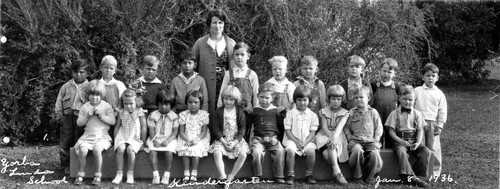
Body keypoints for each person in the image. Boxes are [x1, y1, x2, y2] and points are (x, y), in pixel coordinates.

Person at [192, 9, 236, 114]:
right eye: (214, 22)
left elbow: (236, 68)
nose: (217, 26)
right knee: (207, 112)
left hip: (225, 84)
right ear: (209, 24)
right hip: (206, 84)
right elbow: (192, 65)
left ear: (224, 24)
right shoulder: (200, 43)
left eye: (220, 23)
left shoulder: (231, 43)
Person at [386, 85, 430, 187]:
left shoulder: (417, 114)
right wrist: (401, 141)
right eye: (404, 99)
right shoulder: (394, 114)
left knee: (425, 151)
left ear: (414, 100)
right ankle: (413, 178)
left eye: (410, 100)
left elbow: (420, 130)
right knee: (401, 152)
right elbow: (391, 132)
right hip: (399, 141)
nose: (407, 102)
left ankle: (418, 175)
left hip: (414, 140)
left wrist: (418, 142)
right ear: (399, 98)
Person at [73, 80, 115, 186]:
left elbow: (112, 121)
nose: (94, 97)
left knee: (97, 150)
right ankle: (80, 175)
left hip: (102, 136)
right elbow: (79, 123)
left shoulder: (106, 106)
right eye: (92, 94)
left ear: (102, 95)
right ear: (88, 95)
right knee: (82, 150)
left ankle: (97, 176)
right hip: (87, 136)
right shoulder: (85, 107)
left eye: (97, 95)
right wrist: (87, 116)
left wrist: (102, 116)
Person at [217, 42, 259, 141]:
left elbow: (255, 94)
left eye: (242, 54)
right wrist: (219, 108)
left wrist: (256, 111)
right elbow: (222, 92)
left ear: (248, 56)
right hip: (230, 110)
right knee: (230, 134)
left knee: (244, 134)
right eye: (237, 54)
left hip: (246, 112)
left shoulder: (252, 74)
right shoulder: (228, 74)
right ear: (233, 56)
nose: (239, 57)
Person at [55, 59, 89, 174]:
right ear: (72, 73)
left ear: (86, 73)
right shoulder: (66, 86)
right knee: (65, 141)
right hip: (67, 118)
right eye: (76, 72)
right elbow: (59, 102)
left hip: (81, 118)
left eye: (81, 72)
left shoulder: (89, 87)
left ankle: (76, 166)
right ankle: (64, 165)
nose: (78, 75)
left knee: (78, 140)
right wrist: (60, 117)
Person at [209, 85, 250, 182]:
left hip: (236, 140)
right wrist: (223, 141)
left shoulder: (239, 111)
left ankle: (231, 175)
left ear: (236, 100)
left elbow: (242, 129)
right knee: (217, 152)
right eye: (226, 99)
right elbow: (216, 129)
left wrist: (235, 142)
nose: (228, 102)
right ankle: (223, 176)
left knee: (243, 154)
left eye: (231, 100)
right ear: (222, 98)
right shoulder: (218, 111)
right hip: (222, 139)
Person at [343, 86, 383, 185]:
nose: (358, 99)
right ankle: (357, 176)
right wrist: (348, 136)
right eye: (356, 98)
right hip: (356, 140)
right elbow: (346, 127)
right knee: (357, 151)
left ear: (368, 98)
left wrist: (376, 138)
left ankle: (370, 177)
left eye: (361, 97)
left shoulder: (373, 112)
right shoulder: (351, 113)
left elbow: (379, 127)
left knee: (375, 154)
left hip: (370, 140)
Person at [414, 63, 447, 177]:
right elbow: (412, 106)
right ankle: (421, 170)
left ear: (437, 78)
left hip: (433, 123)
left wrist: (440, 125)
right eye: (427, 75)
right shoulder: (417, 90)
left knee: (433, 147)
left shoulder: (439, 94)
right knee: (420, 146)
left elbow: (442, 110)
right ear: (423, 77)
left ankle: (435, 172)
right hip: (419, 123)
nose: (430, 78)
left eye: (433, 76)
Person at [248, 82, 286, 184]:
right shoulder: (255, 110)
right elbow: (248, 125)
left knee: (280, 151)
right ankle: (257, 175)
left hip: (273, 138)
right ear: (257, 96)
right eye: (261, 97)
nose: (264, 100)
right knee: (256, 152)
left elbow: (280, 126)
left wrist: (283, 113)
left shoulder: (276, 111)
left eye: (267, 98)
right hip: (258, 139)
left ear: (273, 98)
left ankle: (278, 175)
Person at [283, 85, 319, 185]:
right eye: (299, 100)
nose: (302, 103)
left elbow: (312, 133)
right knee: (290, 151)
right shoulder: (290, 114)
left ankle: (309, 175)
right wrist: (296, 142)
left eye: (305, 100)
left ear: (309, 100)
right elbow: (288, 130)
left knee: (311, 152)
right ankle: (290, 175)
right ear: (295, 100)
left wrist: (304, 143)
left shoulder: (313, 115)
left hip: (307, 141)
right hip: (292, 140)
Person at [315, 85, 349, 185]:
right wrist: (331, 137)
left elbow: (340, 127)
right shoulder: (324, 111)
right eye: (333, 99)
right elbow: (324, 127)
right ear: (329, 99)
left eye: (338, 99)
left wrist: (334, 138)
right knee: (330, 144)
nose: (335, 101)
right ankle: (338, 172)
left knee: (326, 154)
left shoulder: (345, 112)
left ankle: (335, 171)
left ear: (342, 99)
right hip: (325, 135)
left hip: (338, 135)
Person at [112, 89, 147, 184]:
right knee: (121, 149)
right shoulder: (121, 112)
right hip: (123, 135)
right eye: (125, 104)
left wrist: (143, 142)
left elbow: (144, 127)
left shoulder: (140, 111)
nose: (128, 106)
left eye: (131, 103)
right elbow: (117, 126)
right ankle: (119, 173)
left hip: (135, 136)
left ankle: (130, 173)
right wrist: (115, 140)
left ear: (136, 101)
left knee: (130, 150)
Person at [177, 90, 210, 184]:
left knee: (196, 150)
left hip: (199, 137)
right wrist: (186, 139)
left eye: (196, 102)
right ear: (186, 103)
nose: (193, 105)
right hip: (186, 136)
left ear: (201, 103)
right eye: (190, 102)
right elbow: (181, 131)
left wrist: (197, 139)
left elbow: (204, 131)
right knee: (185, 150)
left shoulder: (203, 115)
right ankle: (186, 172)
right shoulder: (183, 115)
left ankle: (194, 173)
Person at [146, 90, 179, 185]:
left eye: (166, 104)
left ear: (171, 105)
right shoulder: (153, 115)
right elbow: (151, 130)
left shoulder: (174, 116)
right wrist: (154, 139)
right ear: (157, 104)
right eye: (161, 104)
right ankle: (155, 175)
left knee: (169, 152)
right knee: (152, 152)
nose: (163, 107)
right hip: (155, 138)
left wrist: (168, 140)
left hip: (169, 138)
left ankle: (166, 175)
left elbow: (175, 131)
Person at [370, 58, 403, 148]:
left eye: (389, 72)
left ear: (394, 74)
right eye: (384, 71)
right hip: (377, 117)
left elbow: (400, 103)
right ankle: (377, 158)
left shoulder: (397, 86)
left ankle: (390, 160)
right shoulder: (373, 85)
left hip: (391, 117)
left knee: (390, 139)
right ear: (379, 71)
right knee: (377, 138)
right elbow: (369, 101)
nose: (386, 74)